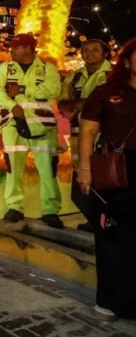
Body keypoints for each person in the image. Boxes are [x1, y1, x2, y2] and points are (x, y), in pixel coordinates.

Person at [77, 37, 136, 321]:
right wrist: (85, 170)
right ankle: (108, 301)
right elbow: (87, 133)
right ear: (127, 62)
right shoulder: (105, 92)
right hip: (115, 170)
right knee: (112, 236)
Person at [0, 33, 63, 227]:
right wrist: (11, 105)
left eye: (17, 47)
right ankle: (14, 207)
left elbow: (53, 89)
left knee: (48, 169)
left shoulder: (48, 68)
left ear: (30, 48)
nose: (12, 50)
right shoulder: (5, 68)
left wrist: (21, 92)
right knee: (13, 167)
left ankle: (50, 211)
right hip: (13, 124)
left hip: (43, 127)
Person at [58, 39, 111, 231]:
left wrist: (79, 104)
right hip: (78, 135)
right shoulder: (73, 77)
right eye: (86, 50)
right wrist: (86, 104)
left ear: (105, 53)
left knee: (105, 177)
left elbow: (111, 103)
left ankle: (107, 219)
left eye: (95, 50)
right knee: (83, 176)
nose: (89, 53)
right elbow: (62, 105)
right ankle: (92, 219)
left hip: (107, 136)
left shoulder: (113, 74)